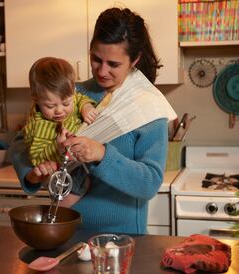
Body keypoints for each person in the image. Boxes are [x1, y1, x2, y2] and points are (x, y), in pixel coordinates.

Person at [9, 7, 177, 234]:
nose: (102, 71)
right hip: (64, 232)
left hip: (121, 237)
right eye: (96, 59)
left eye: (113, 64)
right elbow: (22, 140)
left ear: (134, 60)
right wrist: (33, 173)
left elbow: (149, 183)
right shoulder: (69, 94)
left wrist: (102, 155)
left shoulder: (147, 107)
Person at [23, 57, 97, 206]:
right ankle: (61, 210)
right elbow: (36, 157)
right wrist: (57, 148)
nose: (59, 111)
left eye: (66, 103)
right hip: (65, 171)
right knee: (63, 202)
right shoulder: (36, 126)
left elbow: (80, 99)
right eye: (50, 106)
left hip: (87, 157)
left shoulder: (74, 96)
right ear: (35, 99)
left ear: (73, 91)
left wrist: (86, 107)